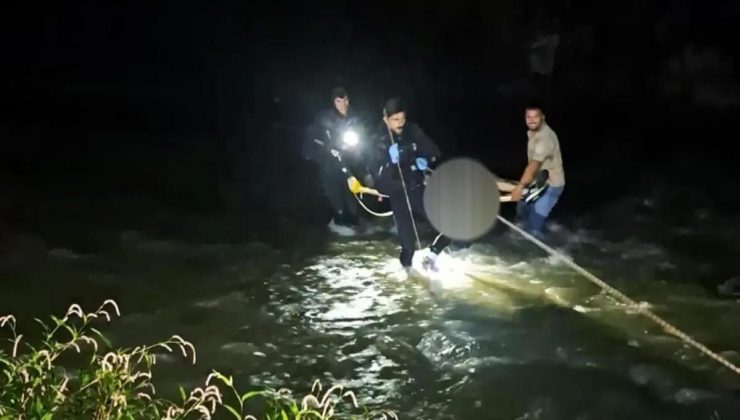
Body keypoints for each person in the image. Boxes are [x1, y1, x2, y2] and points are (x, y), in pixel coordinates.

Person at [368, 97, 451, 271]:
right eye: (395, 119)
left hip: (417, 188)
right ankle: (408, 278)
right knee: (408, 247)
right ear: (386, 119)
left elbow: (434, 151)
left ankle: (432, 254)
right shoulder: (378, 140)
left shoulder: (412, 131)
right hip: (398, 193)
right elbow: (378, 179)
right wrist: (389, 162)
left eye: (402, 118)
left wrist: (425, 158)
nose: (400, 123)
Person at [302, 87, 369, 236]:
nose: (342, 104)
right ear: (334, 102)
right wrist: (327, 148)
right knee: (337, 204)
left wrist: (365, 173)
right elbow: (317, 142)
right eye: (338, 101)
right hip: (329, 167)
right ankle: (336, 226)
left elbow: (360, 146)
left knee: (353, 206)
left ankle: (355, 224)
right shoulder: (324, 118)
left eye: (345, 100)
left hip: (348, 165)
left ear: (348, 100)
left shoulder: (354, 117)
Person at [510, 103, 565, 238]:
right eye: (528, 117)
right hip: (538, 182)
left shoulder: (545, 138)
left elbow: (534, 165)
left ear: (542, 118)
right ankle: (544, 226)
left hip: (551, 185)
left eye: (535, 117)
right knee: (521, 216)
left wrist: (520, 187)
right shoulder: (533, 133)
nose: (531, 120)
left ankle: (550, 250)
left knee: (534, 229)